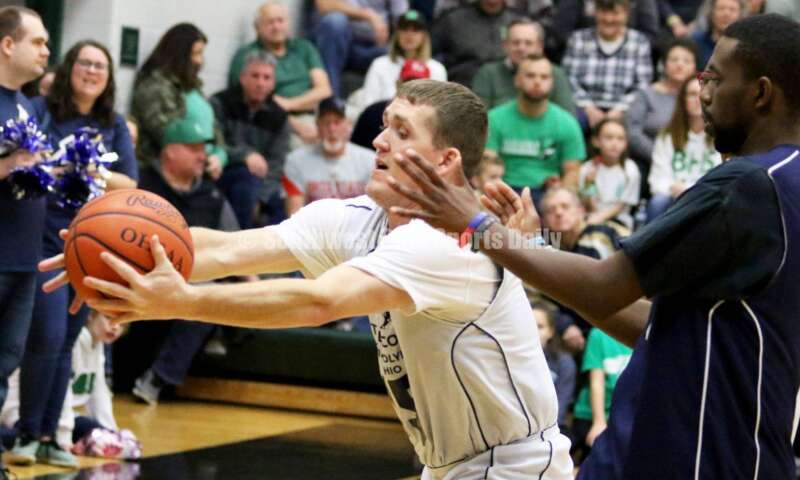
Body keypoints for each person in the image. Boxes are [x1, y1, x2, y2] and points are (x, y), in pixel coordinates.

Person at [43, 80, 575, 478]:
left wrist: (180, 300)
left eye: (402, 131)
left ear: (446, 160)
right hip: (454, 464)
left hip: (514, 467)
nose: (381, 140)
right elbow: (226, 248)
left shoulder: (446, 243)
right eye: (386, 123)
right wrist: (106, 252)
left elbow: (318, 302)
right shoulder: (357, 218)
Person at [384, 13, 800, 479]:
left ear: (761, 93)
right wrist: (527, 254)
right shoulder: (786, 184)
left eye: (715, 79)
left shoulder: (744, 186)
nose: (702, 92)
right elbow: (658, 323)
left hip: (693, 457)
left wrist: (476, 224)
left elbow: (606, 284)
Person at [7, 39, 138, 469]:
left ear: (108, 78)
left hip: (87, 245)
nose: (92, 71)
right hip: (43, 237)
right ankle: (27, 432)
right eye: (85, 62)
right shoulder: (44, 109)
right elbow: (31, 156)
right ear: (70, 69)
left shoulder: (112, 123)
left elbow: (130, 185)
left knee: (65, 343)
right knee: (43, 339)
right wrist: (62, 164)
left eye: (100, 65)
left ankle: (51, 435)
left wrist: (93, 169)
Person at [130, 91, 241, 405]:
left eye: (204, 149)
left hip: (192, 280)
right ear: (170, 152)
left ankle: (158, 378)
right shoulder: (142, 185)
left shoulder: (212, 194)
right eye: (194, 149)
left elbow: (235, 242)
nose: (202, 156)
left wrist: (254, 283)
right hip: (144, 274)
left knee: (210, 293)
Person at [0, 6, 49, 478]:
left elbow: (28, 169)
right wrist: (10, 163)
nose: (46, 51)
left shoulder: (28, 105)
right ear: (7, 44)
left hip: (21, 256)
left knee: (4, 363)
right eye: (37, 41)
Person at [228, 2, 332, 147]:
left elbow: (324, 90)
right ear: (257, 27)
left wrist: (288, 104)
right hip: (274, 120)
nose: (276, 27)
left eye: (280, 21)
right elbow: (248, 101)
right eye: (270, 22)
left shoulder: (304, 47)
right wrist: (292, 122)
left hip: (315, 113)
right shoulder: (248, 55)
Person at [485, 54, 585, 205]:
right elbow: (486, 167)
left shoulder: (567, 123)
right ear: (517, 80)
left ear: (552, 83)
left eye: (544, 77)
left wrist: (558, 199)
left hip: (547, 194)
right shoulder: (494, 118)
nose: (537, 82)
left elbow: (572, 172)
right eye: (530, 76)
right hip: (503, 191)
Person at [130, 23, 227, 179]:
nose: (200, 61)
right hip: (161, 172)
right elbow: (168, 134)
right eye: (196, 53)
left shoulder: (193, 86)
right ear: (180, 54)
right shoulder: (154, 85)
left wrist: (219, 155)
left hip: (200, 167)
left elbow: (214, 130)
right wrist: (204, 154)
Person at [212, 50, 291, 228]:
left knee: (281, 217)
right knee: (245, 183)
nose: (260, 83)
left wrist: (260, 199)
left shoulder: (280, 118)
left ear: (273, 83)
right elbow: (214, 145)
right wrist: (245, 155)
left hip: (261, 186)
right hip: (222, 172)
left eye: (266, 77)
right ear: (242, 78)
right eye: (255, 76)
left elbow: (276, 166)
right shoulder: (220, 103)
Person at [562, 0, 653, 131]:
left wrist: (619, 110)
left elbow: (642, 85)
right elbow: (569, 80)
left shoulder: (639, 42)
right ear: (595, 12)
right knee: (570, 122)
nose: (609, 19)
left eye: (615, 13)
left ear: (626, 14)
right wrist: (588, 107)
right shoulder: (578, 39)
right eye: (604, 12)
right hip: (584, 107)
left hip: (624, 108)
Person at [625, 39, 697, 196]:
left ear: (695, 66)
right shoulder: (646, 94)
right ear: (664, 64)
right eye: (674, 60)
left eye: (686, 61)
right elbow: (633, 132)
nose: (680, 65)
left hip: (693, 161)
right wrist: (659, 157)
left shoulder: (701, 96)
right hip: (649, 158)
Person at [283, 97, 374, 216]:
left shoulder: (370, 160)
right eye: (326, 123)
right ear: (317, 126)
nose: (332, 129)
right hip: (312, 229)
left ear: (348, 126)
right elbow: (293, 214)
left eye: (337, 122)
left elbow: (374, 211)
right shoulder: (296, 161)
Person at [647, 76, 721, 221]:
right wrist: (675, 190)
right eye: (692, 94)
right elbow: (657, 180)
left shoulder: (721, 136)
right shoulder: (667, 136)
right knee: (657, 202)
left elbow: (720, 182)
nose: (697, 99)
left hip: (705, 199)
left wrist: (688, 189)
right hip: (671, 198)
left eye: (702, 95)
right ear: (683, 100)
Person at [471, 18, 575, 113]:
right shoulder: (488, 73)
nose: (521, 48)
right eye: (516, 42)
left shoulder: (554, 73)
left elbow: (567, 117)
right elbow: (478, 118)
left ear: (540, 47)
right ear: (505, 45)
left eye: (528, 43)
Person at [312, 0, 409, 98]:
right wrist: (369, 15)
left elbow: (403, 19)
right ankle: (330, 104)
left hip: (377, 47)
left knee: (401, 51)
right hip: (342, 44)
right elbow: (324, 4)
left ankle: (398, 105)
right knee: (334, 21)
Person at [358, 10, 446, 111]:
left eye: (416, 29)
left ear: (424, 36)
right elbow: (369, 105)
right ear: (397, 34)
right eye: (404, 28)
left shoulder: (437, 68)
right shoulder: (379, 64)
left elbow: (439, 110)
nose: (409, 34)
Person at [570, 327, 632, 464]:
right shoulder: (599, 334)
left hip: (622, 414)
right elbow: (596, 381)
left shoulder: (645, 334)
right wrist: (599, 422)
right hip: (591, 415)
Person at [431, 0, 522, 86]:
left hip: (509, 85)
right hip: (463, 83)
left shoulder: (519, 20)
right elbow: (428, 48)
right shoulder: (452, 19)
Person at [351, 58, 430, 150]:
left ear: (427, 90)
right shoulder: (371, 112)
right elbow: (354, 151)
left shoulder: (430, 121)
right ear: (397, 83)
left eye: (419, 85)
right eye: (408, 83)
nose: (412, 90)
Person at [579, 119, 641, 229]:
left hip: (619, 220)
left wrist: (600, 218)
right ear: (596, 141)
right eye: (609, 137)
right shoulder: (587, 168)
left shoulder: (630, 169)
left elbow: (620, 206)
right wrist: (589, 185)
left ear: (626, 143)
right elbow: (588, 206)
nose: (615, 143)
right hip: (592, 217)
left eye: (620, 139)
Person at [534, 306, 575, 435]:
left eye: (540, 326)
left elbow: (561, 405)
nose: (533, 330)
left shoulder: (564, 362)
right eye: (528, 323)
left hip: (547, 431)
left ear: (551, 331)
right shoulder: (507, 357)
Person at [690, 0, 744, 67]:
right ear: (711, 13)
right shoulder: (696, 41)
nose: (726, 14)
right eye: (721, 8)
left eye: (732, 9)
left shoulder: (746, 44)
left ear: (740, 15)